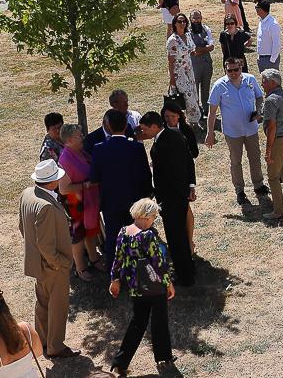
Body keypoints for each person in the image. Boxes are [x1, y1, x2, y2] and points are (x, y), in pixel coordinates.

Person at [108, 198, 176, 378]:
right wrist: (168, 283)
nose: (154, 219)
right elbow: (159, 263)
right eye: (154, 216)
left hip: (135, 287)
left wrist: (115, 280)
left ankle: (120, 363)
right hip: (155, 286)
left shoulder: (123, 232)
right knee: (159, 321)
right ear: (147, 216)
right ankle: (164, 356)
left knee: (137, 323)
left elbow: (118, 259)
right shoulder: (148, 236)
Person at [18, 159, 78, 359]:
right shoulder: (46, 207)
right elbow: (46, 246)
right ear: (52, 182)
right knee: (57, 306)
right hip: (52, 267)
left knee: (42, 304)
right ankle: (55, 347)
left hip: (37, 265)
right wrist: (60, 263)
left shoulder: (27, 194)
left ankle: (41, 342)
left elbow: (22, 228)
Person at [90, 109, 153, 268]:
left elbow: (94, 178)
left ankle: (114, 272)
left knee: (113, 237)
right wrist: (147, 196)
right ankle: (138, 270)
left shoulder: (99, 149)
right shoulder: (136, 148)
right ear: (126, 126)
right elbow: (145, 174)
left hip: (111, 202)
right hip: (135, 201)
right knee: (137, 235)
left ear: (108, 127)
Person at [140, 111, 195, 287]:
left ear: (155, 127)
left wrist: (163, 197)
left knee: (175, 237)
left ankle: (185, 275)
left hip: (171, 198)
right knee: (179, 236)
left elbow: (170, 172)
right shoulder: (174, 135)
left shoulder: (163, 144)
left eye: (145, 129)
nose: (144, 133)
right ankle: (187, 269)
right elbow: (188, 161)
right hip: (179, 195)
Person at [206, 57, 268, 205]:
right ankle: (240, 190)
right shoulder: (219, 86)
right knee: (236, 161)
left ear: (241, 68)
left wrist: (259, 111)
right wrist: (210, 132)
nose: (233, 73)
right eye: (230, 70)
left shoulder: (250, 80)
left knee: (255, 158)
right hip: (232, 132)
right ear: (225, 70)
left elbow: (260, 97)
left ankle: (258, 185)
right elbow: (212, 111)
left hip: (251, 128)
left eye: (236, 69)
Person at [57, 124, 104, 282]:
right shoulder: (65, 159)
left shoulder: (79, 151)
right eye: (79, 135)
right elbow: (63, 189)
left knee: (90, 232)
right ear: (69, 141)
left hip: (88, 202)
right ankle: (80, 268)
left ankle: (94, 258)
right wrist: (86, 185)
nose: (83, 137)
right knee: (78, 238)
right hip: (76, 206)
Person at [161, 103, 199, 255]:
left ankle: (189, 241)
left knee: (185, 209)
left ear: (179, 116)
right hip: (167, 178)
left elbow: (194, 153)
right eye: (167, 117)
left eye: (173, 116)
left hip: (183, 175)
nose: (170, 120)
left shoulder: (185, 130)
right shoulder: (162, 132)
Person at [260, 69, 283, 221]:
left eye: (264, 81)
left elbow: (271, 128)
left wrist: (268, 150)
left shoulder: (271, 101)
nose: (262, 84)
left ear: (272, 83)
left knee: (273, 177)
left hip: (278, 141)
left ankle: (278, 210)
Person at [166, 12, 201, 125]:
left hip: (189, 70)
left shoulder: (187, 35)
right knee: (187, 96)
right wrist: (172, 79)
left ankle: (191, 122)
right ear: (174, 24)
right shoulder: (172, 40)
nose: (182, 23)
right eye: (179, 21)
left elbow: (191, 49)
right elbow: (170, 61)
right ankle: (191, 121)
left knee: (193, 94)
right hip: (178, 73)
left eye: (184, 21)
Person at [188, 10, 215, 124]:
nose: (196, 20)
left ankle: (206, 110)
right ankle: (196, 112)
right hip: (194, 65)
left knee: (206, 88)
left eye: (198, 18)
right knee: (195, 90)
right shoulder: (187, 32)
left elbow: (211, 46)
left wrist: (201, 50)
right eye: (194, 18)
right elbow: (193, 50)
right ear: (190, 19)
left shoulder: (206, 29)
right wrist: (205, 49)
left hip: (206, 63)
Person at [254, 0, 282, 72]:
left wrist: (272, 60)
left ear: (262, 9)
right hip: (262, 58)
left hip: (269, 59)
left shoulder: (272, 24)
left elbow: (277, 44)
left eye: (256, 7)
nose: (255, 9)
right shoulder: (261, 21)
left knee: (273, 82)